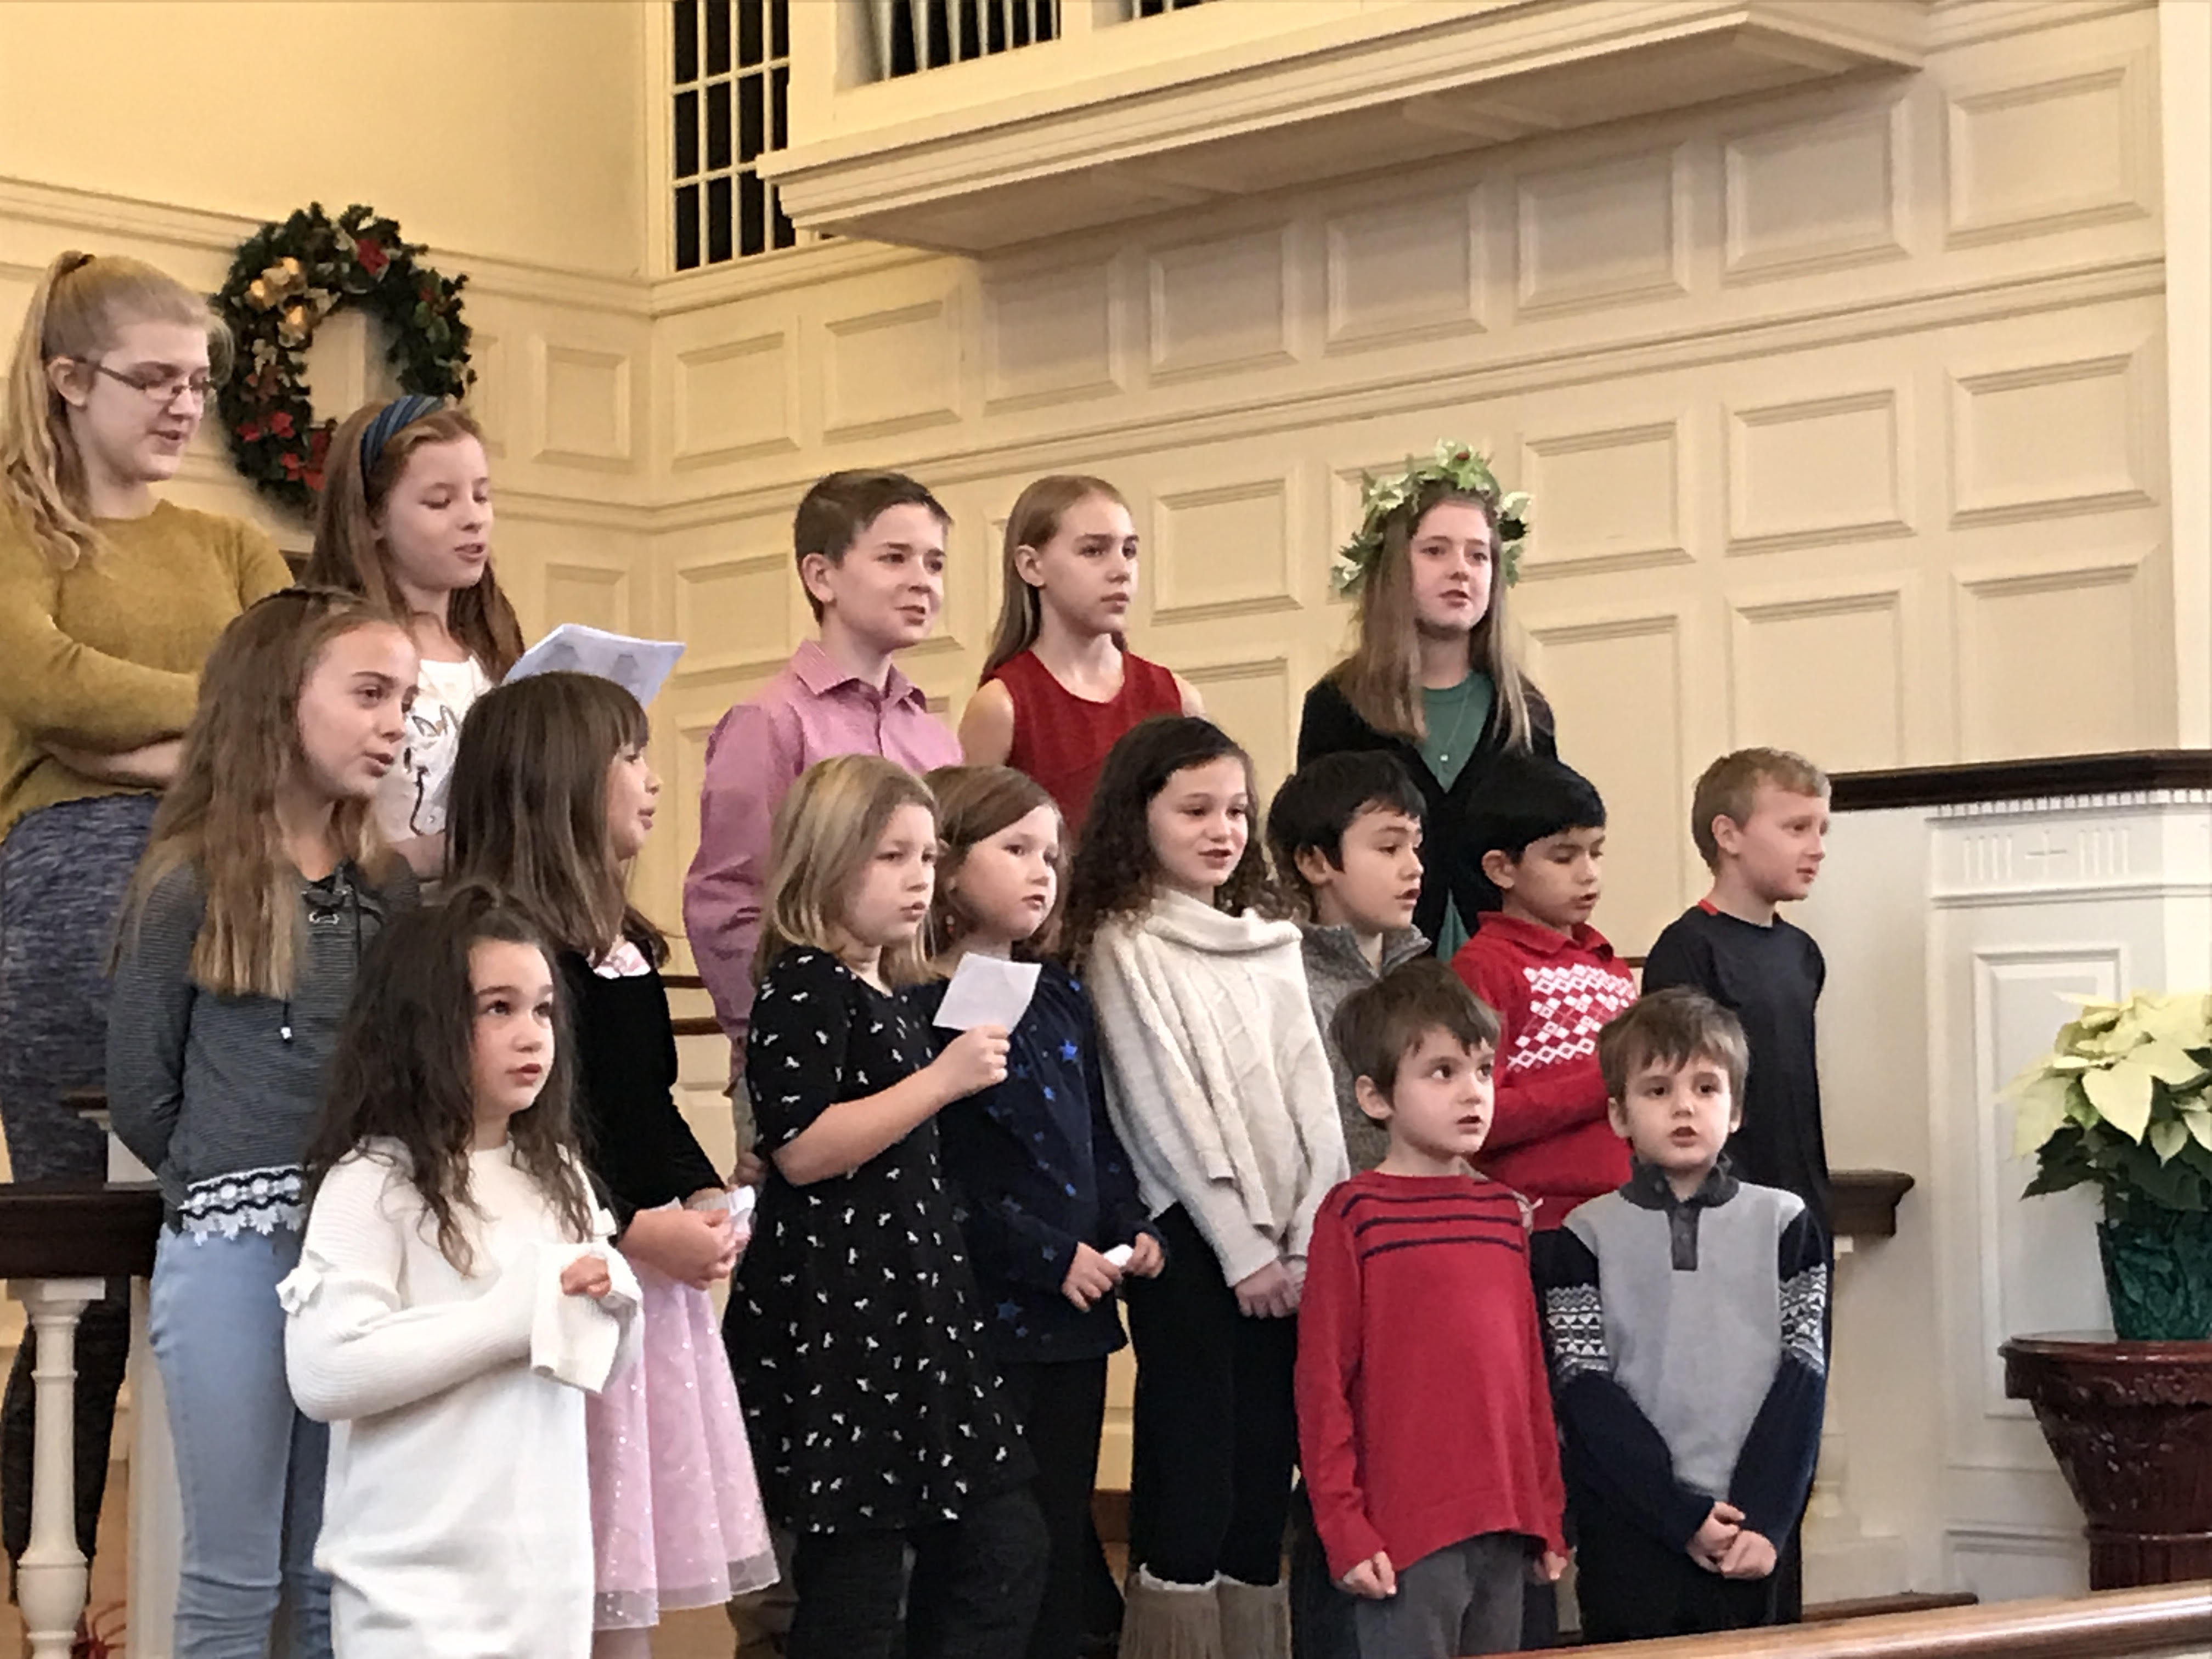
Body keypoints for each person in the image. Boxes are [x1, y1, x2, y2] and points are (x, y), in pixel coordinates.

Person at [0, 249, 291, 1574]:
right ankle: (28, 1559)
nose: (187, 406)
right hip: (62, 909)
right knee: (87, 1269)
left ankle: (202, 1587)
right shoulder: (14, 519)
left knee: (215, 1241)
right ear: (69, 381)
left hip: (220, 904)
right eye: (156, 379)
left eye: (202, 381)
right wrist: (210, 722)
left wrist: (154, 737)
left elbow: (283, 695)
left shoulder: (229, 539)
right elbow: (52, 685)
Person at [105, 588, 417, 1658]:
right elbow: (144, 1091)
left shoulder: (391, 897)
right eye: (369, 693)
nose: (395, 723)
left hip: (362, 1264)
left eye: (406, 701)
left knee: (334, 1572)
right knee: (233, 1579)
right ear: (278, 702)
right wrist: (231, 1182)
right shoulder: (187, 882)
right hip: (234, 1260)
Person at [445, 674, 777, 1656]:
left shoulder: (622, 943)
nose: (652, 779)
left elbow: (642, 1104)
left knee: (619, 1565)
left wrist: (710, 1192)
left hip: (646, 1269)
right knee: (557, 1558)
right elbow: (544, 1125)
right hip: (571, 1264)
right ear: (556, 778)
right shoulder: (504, 942)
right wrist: (636, 1227)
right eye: (628, 756)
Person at [730, 754, 1045, 1659]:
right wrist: (942, 1080)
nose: (919, 879)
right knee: (857, 1586)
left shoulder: (884, 991)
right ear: (825, 860)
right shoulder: (804, 983)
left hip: (913, 1314)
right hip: (842, 1317)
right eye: (889, 857)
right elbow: (801, 1145)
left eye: (926, 857)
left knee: (1003, 1541)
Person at [282, 891, 641, 1658]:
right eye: (498, 1008)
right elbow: (323, 1371)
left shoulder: (559, 1174)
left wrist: (616, 1309)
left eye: (544, 1010)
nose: (530, 1035)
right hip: (409, 1596)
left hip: (541, 1583)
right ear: (426, 1026)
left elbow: (591, 1369)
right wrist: (509, 1320)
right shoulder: (373, 1182)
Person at [1063, 716, 1348, 1659]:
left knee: (1266, 1461)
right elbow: (1162, 1109)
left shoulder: (1268, 940)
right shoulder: (1123, 941)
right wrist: (1243, 1249)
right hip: (1193, 1242)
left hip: (1289, 1249)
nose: (1223, 828)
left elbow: (1315, 1097)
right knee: (1197, 1458)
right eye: (1195, 809)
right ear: (1137, 815)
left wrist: (1310, 1235)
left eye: (1235, 809)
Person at [907, 764, 1164, 1659]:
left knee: (1060, 1513)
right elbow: (946, 1175)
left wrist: (1131, 1221)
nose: (1041, 869)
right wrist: (1047, 1251)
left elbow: (1095, 1130)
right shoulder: (916, 1008)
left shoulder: (1058, 991)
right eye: (1014, 848)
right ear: (943, 866)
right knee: (990, 1529)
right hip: (988, 1314)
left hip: (1074, 1314)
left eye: (1050, 853)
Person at [1530, 990, 1828, 1643]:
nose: (1685, 1107)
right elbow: (1584, 1388)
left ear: (1738, 1108)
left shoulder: (1787, 1224)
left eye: (1706, 1087)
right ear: (1619, 1114)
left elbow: (1803, 1375)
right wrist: (1677, 1512)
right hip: (1634, 1525)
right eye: (1658, 1090)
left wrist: (1768, 1518)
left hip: (1757, 1523)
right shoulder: (1582, 1236)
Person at [1296, 960, 1566, 1659]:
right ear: (1376, 1096)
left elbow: (1528, 1378)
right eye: (1442, 1073)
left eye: (1482, 1070)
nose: (1473, 1092)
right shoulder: (1354, 1213)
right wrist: (1345, 1527)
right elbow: (1323, 1385)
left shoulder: (1505, 1214)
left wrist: (1547, 1512)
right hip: (1407, 1536)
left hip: (1507, 1524)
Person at [683, 470, 965, 1092]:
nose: (923, 580)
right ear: (822, 576)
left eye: (936, 563)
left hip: (919, 1041)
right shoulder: (771, 721)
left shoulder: (935, 736)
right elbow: (728, 902)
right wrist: (771, 1032)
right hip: (813, 1050)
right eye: (895, 558)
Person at [1295, 443, 1551, 958]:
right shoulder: (1339, 706)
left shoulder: (1522, 712)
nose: (1461, 570)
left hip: (1503, 978)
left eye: (1479, 555)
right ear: (1393, 568)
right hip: (1381, 979)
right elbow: (1317, 855)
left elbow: (1547, 855)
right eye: (1436, 551)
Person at [302, 395, 523, 879]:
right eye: (439, 501)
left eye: (482, 496)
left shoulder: (493, 643)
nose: (474, 518)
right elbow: (311, 834)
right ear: (373, 517)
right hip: (388, 928)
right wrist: (436, 854)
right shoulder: (333, 647)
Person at [1639, 749, 1832, 1227]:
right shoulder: (1687, 949)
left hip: (1802, 1194)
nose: (1817, 848)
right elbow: (1677, 1089)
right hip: (1723, 1203)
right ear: (1728, 835)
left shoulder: (1802, 953)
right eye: (1796, 828)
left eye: (1821, 830)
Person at [1448, 754, 1637, 1229]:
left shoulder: (1609, 964)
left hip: (1629, 1211)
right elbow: (1474, 1112)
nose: (1589, 872)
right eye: (1564, 856)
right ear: (1501, 869)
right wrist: (1606, 1083)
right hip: (1538, 1223)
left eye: (1596, 852)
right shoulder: (1482, 967)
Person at [956, 475, 1199, 829]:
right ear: (1032, 566)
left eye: (1129, 551)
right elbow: (972, 848)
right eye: (1094, 551)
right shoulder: (1002, 706)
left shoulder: (1177, 697)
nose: (1121, 571)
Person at [1266, 751, 1431, 1175]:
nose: (1414, 868)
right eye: (1389, 847)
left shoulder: (1421, 977)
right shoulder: (1286, 986)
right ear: (1315, 862)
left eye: (1415, 846)